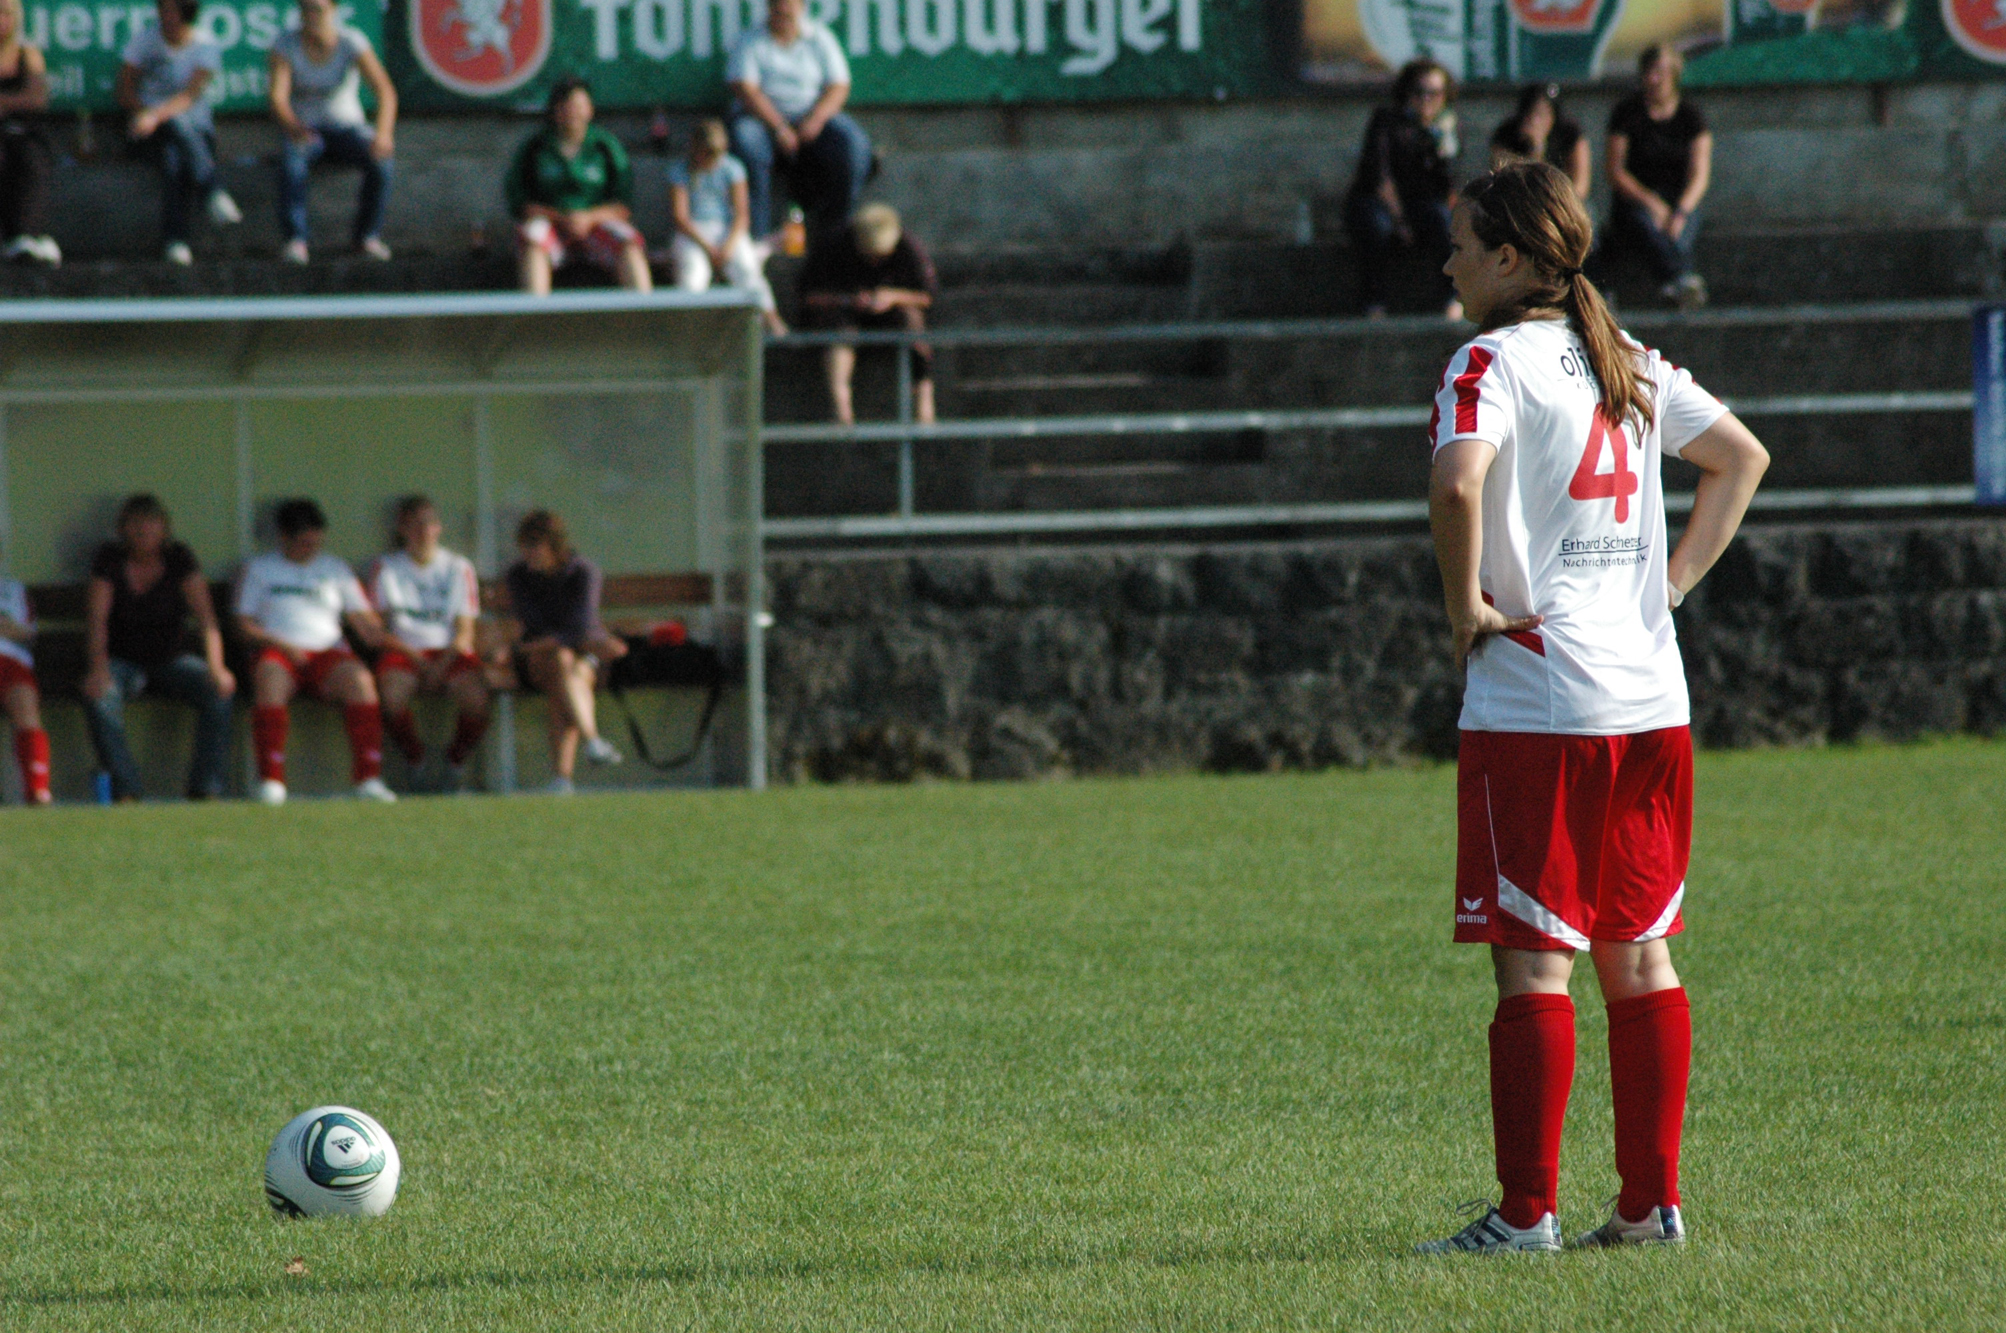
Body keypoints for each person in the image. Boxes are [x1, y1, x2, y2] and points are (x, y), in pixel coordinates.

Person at [1415, 161, 1769, 1254]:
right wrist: (1666, 588)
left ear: (1508, 257)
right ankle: (1648, 1205)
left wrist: (1463, 607)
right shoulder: (1626, 357)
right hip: (1649, 697)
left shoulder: (1487, 361)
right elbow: (1740, 458)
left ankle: (1525, 1215)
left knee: (1533, 959)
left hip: (1541, 701)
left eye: (1460, 246)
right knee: (1639, 953)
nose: (1447, 264)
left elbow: (1456, 484)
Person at [235, 498, 394, 805]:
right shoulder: (260, 569)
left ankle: (368, 778)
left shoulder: (335, 569)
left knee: (360, 681)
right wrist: (283, 645)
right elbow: (243, 626)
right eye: (304, 543)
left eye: (316, 543)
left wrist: (376, 625)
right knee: (269, 678)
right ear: (284, 537)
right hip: (279, 651)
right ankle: (271, 780)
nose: (311, 550)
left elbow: (362, 617)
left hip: (327, 653)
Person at [81, 494, 235, 801]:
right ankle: (126, 789)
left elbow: (206, 619)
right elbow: (97, 620)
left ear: (164, 529)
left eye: (151, 523)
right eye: (135, 523)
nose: (143, 531)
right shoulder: (109, 559)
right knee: (100, 697)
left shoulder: (179, 558)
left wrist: (217, 668)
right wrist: (98, 670)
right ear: (122, 529)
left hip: (171, 659)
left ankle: (206, 787)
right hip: (122, 659)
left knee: (218, 692)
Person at [368, 496, 489, 792]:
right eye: (416, 525)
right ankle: (415, 757)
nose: (425, 531)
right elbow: (378, 629)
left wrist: (442, 664)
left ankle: (455, 760)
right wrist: (419, 661)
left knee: (477, 700)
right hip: (404, 651)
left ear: (439, 528)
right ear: (403, 529)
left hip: (449, 652)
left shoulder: (457, 567)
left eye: (431, 523)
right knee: (391, 697)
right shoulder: (386, 568)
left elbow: (465, 631)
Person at [502, 510, 626, 796]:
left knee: (564, 677)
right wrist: (549, 643)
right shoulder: (518, 575)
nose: (528, 552)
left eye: (535, 544)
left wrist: (540, 643)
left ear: (554, 544)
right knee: (562, 665)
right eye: (524, 545)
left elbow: (580, 628)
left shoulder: (583, 572)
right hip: (541, 659)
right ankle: (592, 741)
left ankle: (563, 778)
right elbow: (533, 624)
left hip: (578, 657)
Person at [727, 0, 872, 245]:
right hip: (763, 121)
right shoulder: (750, 40)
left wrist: (815, 120)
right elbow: (744, 88)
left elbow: (839, 85)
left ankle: (835, 237)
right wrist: (779, 127)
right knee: (746, 141)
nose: (783, 11)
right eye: (777, 7)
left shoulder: (820, 38)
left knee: (853, 145)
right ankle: (756, 241)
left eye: (789, 7)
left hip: (812, 117)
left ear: (802, 7)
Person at [268, 0, 397, 264]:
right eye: (305, 9)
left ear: (333, 11)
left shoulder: (351, 41)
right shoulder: (285, 44)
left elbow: (385, 91)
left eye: (318, 9)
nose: (311, 16)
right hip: (305, 130)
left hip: (346, 128)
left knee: (381, 162)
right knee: (292, 163)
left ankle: (366, 237)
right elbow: (278, 98)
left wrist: (383, 134)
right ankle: (296, 240)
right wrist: (294, 127)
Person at [117, 0, 242, 267]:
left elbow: (189, 96)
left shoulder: (205, 44)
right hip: (148, 132)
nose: (166, 17)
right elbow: (124, 89)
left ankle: (175, 241)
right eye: (163, 9)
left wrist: (156, 115)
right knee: (174, 140)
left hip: (193, 131)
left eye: (172, 11)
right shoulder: (144, 40)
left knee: (174, 156)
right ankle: (212, 190)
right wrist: (143, 113)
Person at [506, 76, 650, 297]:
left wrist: (589, 218)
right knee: (533, 239)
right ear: (554, 111)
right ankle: (535, 311)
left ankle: (643, 309)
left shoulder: (605, 146)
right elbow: (520, 204)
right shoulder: (535, 147)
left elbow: (623, 204)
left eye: (579, 106)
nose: (573, 113)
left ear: (590, 110)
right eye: (566, 107)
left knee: (629, 242)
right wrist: (562, 218)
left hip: (596, 224)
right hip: (553, 224)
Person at [799, 203, 936, 427]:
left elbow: (927, 295)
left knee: (913, 319)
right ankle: (841, 411)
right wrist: (849, 300)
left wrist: (893, 297)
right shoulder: (833, 244)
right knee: (838, 329)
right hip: (846, 316)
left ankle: (924, 398)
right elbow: (808, 295)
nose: (875, 263)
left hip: (892, 317)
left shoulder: (909, 247)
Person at [1344, 58, 1461, 320]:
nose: (1427, 100)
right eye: (1420, 92)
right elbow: (1380, 176)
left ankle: (1451, 298)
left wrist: (1443, 146)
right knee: (1377, 227)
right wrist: (1400, 221)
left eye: (1435, 93)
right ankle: (1374, 301)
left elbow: (1447, 182)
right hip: (1380, 202)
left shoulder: (1445, 128)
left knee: (1443, 220)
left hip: (1420, 202)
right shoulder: (1387, 121)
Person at [1605, 44, 1713, 310]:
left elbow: (1699, 175)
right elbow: (1616, 171)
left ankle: (1673, 284)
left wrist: (1680, 212)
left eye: (1660, 72)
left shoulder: (1691, 117)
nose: (1654, 79)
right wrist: (1653, 204)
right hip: (1637, 199)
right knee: (1645, 224)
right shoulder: (1626, 113)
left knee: (1679, 228)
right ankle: (1682, 279)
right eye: (1649, 72)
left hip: (1678, 198)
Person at [669, 119, 786, 335]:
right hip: (694, 233)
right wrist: (709, 248)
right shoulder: (680, 171)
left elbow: (741, 215)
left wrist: (728, 247)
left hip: (728, 230)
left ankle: (771, 321)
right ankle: (692, 333)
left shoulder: (732, 168)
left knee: (747, 269)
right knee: (693, 276)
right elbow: (681, 217)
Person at [0, 0, 55, 266]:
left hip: (22, 131)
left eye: (6, 13)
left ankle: (25, 235)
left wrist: (4, 104)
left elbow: (37, 98)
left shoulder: (27, 54)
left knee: (31, 159)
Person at [0, 557, 47, 804]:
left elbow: (28, 632)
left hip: (11, 662)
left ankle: (37, 789)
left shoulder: (13, 589)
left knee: (25, 705)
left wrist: (8, 627)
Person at [1489, 83, 1589, 200]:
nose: (1536, 121)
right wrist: (1534, 149)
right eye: (1532, 113)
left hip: (1562, 200)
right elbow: (1501, 180)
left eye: (1543, 114)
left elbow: (1580, 186)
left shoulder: (1570, 135)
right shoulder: (1506, 135)